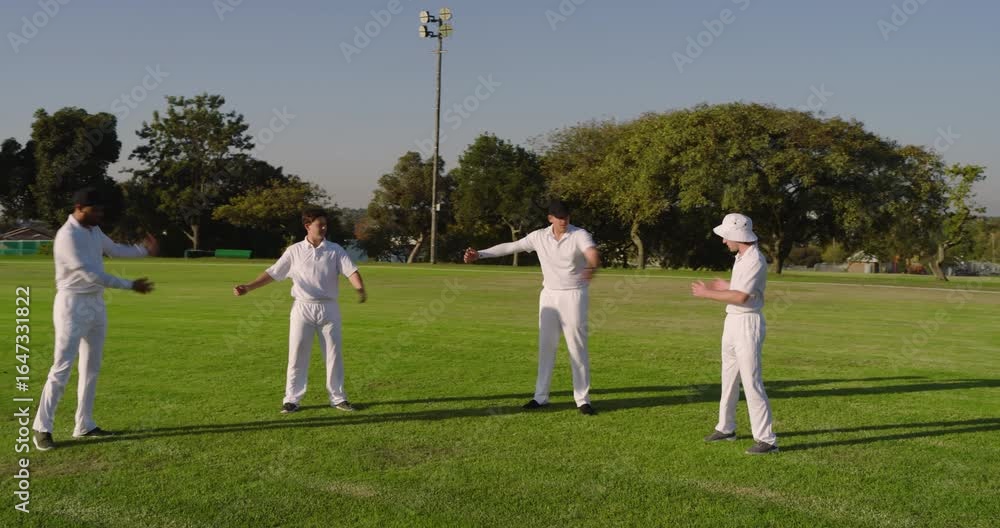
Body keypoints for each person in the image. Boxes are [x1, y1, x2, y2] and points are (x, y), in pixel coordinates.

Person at [32, 188, 158, 451]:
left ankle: (84, 424)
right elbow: (90, 274)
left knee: (92, 367)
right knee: (62, 367)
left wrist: (143, 250)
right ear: (79, 207)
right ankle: (42, 428)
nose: (100, 214)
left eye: (101, 209)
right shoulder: (67, 236)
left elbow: (115, 249)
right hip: (72, 305)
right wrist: (130, 285)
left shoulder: (94, 230)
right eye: (95, 210)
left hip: (96, 304)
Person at [463, 200, 600, 415]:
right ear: (550, 218)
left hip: (574, 294)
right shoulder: (538, 236)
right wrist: (479, 254)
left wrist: (591, 267)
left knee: (576, 347)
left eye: (566, 216)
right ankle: (540, 397)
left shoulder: (579, 234)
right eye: (559, 217)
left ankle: (582, 400)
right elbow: (511, 247)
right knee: (546, 346)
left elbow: (591, 252)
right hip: (549, 295)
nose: (563, 220)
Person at [234, 208, 366, 414]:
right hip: (302, 308)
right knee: (297, 355)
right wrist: (249, 287)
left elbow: (351, 271)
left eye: (325, 224)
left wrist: (360, 289)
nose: (324, 228)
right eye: (319, 224)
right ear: (307, 226)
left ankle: (338, 398)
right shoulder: (294, 251)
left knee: (333, 355)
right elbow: (273, 273)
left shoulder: (335, 250)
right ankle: (292, 400)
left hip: (329, 308)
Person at [691, 213, 778, 454]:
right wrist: (726, 287)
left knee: (751, 381)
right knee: (728, 377)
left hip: (747, 323)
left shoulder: (755, 260)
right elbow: (741, 289)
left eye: (726, 236)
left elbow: (741, 297)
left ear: (737, 235)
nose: (723, 241)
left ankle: (767, 440)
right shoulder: (741, 257)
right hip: (732, 321)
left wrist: (707, 293)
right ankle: (726, 428)